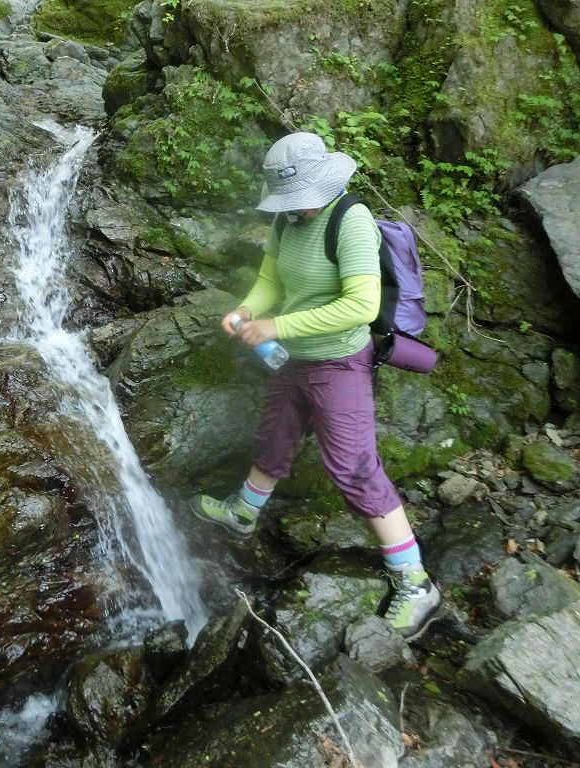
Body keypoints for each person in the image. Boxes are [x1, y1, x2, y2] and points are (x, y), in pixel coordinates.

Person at [192, 131, 441, 641]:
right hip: (293, 359)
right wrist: (246, 310)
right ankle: (245, 512)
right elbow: (272, 281)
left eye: (301, 199)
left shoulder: (350, 221)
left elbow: (361, 306)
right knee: (274, 436)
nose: (297, 208)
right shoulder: (286, 222)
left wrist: (278, 326)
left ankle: (415, 582)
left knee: (354, 465)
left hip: (339, 362)